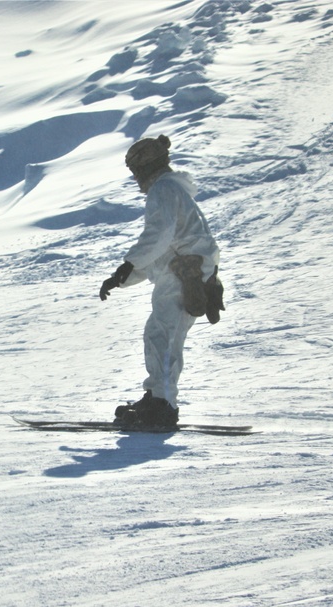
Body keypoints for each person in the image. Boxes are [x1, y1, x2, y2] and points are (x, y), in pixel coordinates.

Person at [99, 134, 224, 430]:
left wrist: (128, 264)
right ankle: (156, 395)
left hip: (185, 273)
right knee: (157, 334)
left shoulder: (163, 189)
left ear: (144, 168)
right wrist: (123, 277)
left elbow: (159, 235)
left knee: (167, 338)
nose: (135, 179)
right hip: (181, 270)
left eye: (135, 172)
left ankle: (164, 407)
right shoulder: (171, 191)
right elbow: (161, 252)